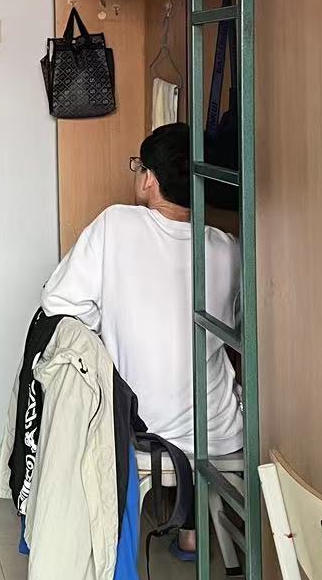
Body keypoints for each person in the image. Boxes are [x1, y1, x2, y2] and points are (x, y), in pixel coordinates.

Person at [40, 124, 243, 556]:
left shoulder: (116, 224)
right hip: (219, 430)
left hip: (141, 427)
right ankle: (192, 531)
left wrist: (110, 320)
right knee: (217, 375)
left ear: (149, 179)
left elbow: (57, 302)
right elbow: (241, 326)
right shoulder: (229, 248)